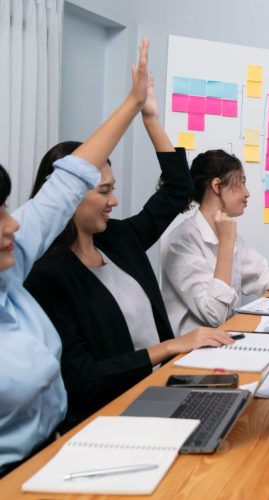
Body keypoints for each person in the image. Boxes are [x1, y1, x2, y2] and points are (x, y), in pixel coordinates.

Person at [24, 70, 234, 432]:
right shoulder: (48, 274)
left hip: (161, 388)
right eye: (103, 192)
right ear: (69, 197)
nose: (114, 201)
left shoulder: (119, 239)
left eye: (113, 188)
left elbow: (176, 189)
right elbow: (83, 378)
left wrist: (150, 117)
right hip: (112, 415)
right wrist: (170, 347)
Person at [0, 38, 156, 476]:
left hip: (59, 450)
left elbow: (66, 181)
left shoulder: (10, 269)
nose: (13, 225)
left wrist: (133, 104)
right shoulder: (43, 270)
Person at [161, 150, 269, 335]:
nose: (247, 193)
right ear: (217, 186)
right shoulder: (181, 242)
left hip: (224, 342)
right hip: (188, 355)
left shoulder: (227, 233)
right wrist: (226, 244)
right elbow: (215, 316)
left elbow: (263, 276)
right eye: (242, 183)